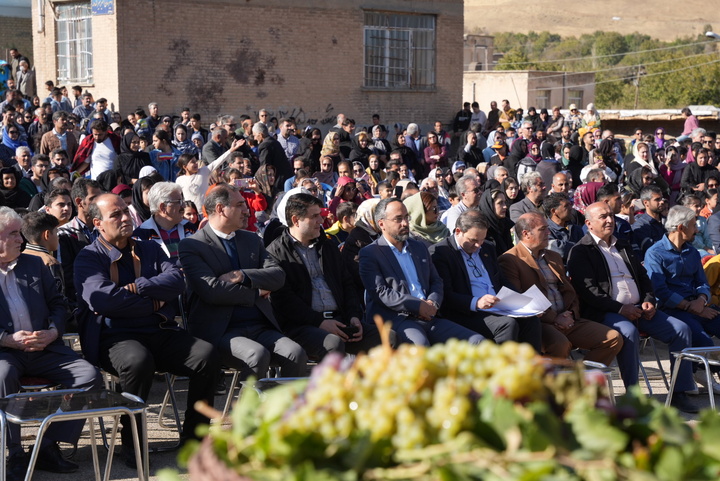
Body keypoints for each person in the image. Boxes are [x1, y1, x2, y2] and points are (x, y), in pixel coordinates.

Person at [74, 193, 219, 463]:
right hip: (114, 337)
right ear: (98, 223)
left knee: (206, 355)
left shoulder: (148, 248)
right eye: (115, 215)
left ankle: (196, 440)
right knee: (138, 360)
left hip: (158, 330)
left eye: (125, 211)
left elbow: (177, 282)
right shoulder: (89, 257)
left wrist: (138, 287)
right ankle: (133, 444)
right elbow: (102, 299)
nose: (125, 218)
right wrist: (154, 303)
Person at [0, 207, 102, 479]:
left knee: (89, 376)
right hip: (5, 353)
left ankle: (47, 445)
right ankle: (14, 451)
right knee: (3, 375)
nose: (21, 239)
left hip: (46, 347)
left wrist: (53, 331)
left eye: (20, 233)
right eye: (13, 234)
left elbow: (59, 304)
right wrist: (7, 339)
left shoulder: (33, 263)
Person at [566, 202, 697, 411]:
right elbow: (588, 291)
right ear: (589, 223)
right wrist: (620, 309)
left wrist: (648, 300)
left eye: (610, 215)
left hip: (640, 309)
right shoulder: (581, 251)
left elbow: (644, 278)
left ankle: (679, 393)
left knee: (680, 329)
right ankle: (633, 396)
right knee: (627, 332)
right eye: (603, 217)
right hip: (606, 312)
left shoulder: (623, 244)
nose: (610, 220)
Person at [179, 183, 307, 379]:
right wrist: (256, 293)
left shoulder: (251, 239)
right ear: (221, 209)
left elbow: (278, 276)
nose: (247, 210)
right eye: (240, 205)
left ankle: (287, 409)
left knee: (295, 353)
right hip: (220, 330)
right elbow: (212, 291)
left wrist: (242, 275)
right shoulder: (193, 245)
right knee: (257, 355)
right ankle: (250, 409)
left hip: (260, 326)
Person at [267, 192, 382, 359]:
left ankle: (373, 384)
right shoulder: (276, 253)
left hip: (340, 320)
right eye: (314, 216)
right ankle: (337, 385)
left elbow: (346, 284)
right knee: (333, 344)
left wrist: (354, 316)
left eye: (320, 215)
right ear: (295, 220)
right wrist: (319, 322)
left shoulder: (327, 246)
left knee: (387, 337)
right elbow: (284, 300)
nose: (321, 221)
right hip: (302, 326)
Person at [498, 212, 623, 363]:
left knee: (613, 338)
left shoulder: (553, 256)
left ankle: (582, 382)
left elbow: (570, 290)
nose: (548, 232)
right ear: (526, 233)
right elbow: (519, 299)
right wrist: (554, 318)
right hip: (541, 322)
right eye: (543, 229)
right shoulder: (510, 259)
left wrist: (570, 313)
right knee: (560, 345)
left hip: (567, 319)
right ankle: (551, 384)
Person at [359, 198, 485, 346]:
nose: (405, 223)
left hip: (428, 315)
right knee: (420, 345)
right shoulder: (371, 253)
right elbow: (380, 292)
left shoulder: (419, 247)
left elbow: (436, 281)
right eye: (398, 219)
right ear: (382, 224)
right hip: (398, 318)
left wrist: (432, 303)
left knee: (477, 341)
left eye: (406, 217)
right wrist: (417, 305)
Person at [430, 209, 541, 351]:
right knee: (507, 324)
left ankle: (531, 367)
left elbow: (501, 279)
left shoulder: (487, 248)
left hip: (498, 306)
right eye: (473, 240)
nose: (478, 246)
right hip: (467, 312)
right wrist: (476, 302)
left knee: (531, 320)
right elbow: (446, 295)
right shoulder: (441, 253)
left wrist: (521, 301)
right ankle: (502, 370)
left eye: (482, 239)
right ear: (458, 231)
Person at [644, 205, 720, 394]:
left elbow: (703, 283)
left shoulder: (692, 252)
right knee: (704, 343)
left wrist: (701, 301)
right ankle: (698, 372)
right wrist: (689, 306)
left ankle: (700, 371)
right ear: (681, 228)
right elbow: (660, 290)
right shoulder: (655, 253)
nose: (698, 229)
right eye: (694, 225)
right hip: (673, 310)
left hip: (698, 306)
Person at [132, 182, 195, 261]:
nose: (184, 206)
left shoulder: (190, 229)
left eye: (182, 201)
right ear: (163, 207)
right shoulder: (141, 236)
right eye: (179, 202)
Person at [544, 192, 583, 262]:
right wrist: (580, 247)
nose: (571, 208)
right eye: (566, 206)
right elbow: (560, 250)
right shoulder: (545, 230)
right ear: (554, 211)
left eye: (570, 204)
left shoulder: (576, 229)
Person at [631, 185, 667, 259]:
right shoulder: (640, 225)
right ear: (646, 203)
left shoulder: (668, 221)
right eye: (657, 199)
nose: (662, 202)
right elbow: (651, 249)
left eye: (661, 198)